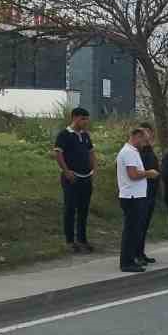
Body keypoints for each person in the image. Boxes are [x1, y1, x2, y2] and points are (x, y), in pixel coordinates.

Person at [53, 107, 97, 253]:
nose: (85, 122)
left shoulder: (85, 135)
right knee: (70, 208)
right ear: (75, 118)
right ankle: (70, 240)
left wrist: (94, 169)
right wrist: (66, 171)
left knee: (84, 209)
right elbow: (58, 154)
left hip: (86, 177)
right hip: (72, 177)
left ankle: (82, 239)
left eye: (87, 119)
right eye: (83, 119)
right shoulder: (64, 135)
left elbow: (91, 152)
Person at [116, 127, 159, 272]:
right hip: (131, 197)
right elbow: (132, 174)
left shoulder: (133, 152)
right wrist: (149, 173)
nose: (145, 143)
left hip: (137, 196)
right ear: (136, 136)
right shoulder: (128, 152)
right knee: (131, 230)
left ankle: (132, 258)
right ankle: (126, 262)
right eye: (144, 140)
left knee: (135, 230)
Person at [136, 122, 160, 264]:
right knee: (138, 225)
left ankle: (141, 252)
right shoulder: (136, 151)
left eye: (148, 132)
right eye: (143, 133)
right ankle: (135, 254)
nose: (145, 136)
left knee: (144, 225)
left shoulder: (149, 150)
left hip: (151, 192)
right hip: (141, 193)